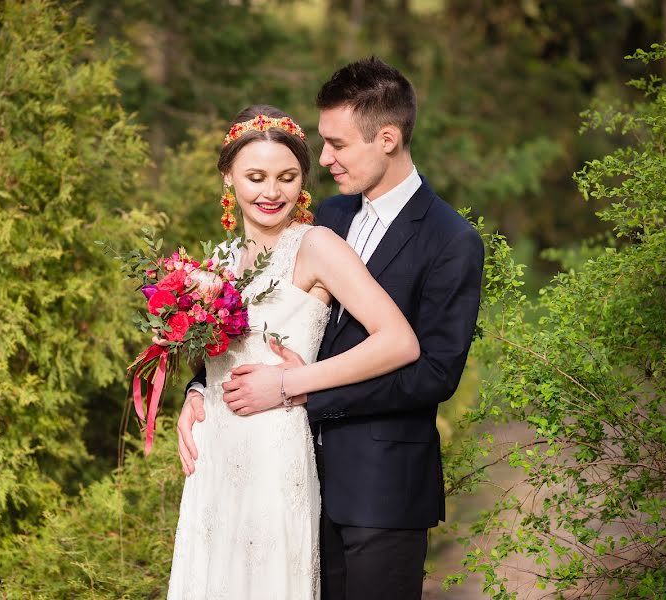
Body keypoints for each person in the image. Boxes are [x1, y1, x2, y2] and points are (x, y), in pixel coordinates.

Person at [179, 58, 485, 599]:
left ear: (386, 138)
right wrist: (201, 390)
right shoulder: (327, 218)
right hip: (292, 473)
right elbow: (254, 321)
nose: (324, 159)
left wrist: (299, 390)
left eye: (337, 144)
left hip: (379, 487)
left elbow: (433, 374)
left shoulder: (450, 240)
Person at [166, 104, 421, 600]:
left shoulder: (317, 246)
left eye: (286, 177)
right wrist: (196, 393)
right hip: (215, 454)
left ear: (302, 180)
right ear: (228, 177)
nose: (271, 192)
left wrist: (292, 384)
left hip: (274, 450)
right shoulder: (217, 263)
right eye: (255, 177)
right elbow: (219, 358)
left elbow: (398, 340)